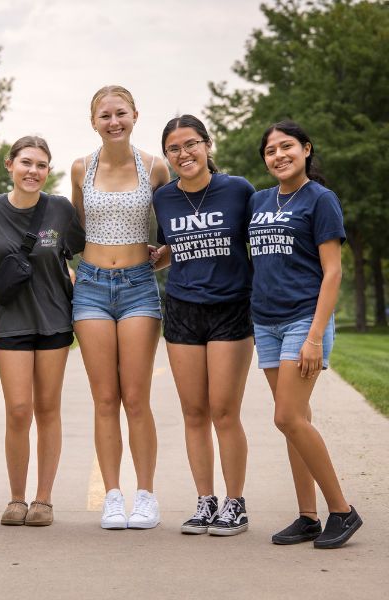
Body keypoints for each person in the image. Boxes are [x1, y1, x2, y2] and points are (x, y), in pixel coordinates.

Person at [249, 120, 362, 548]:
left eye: (287, 146)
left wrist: (315, 336)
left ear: (306, 149)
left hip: (303, 319)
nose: (279, 155)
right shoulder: (259, 200)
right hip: (266, 321)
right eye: (271, 150)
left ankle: (342, 511)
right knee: (295, 422)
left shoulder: (320, 199)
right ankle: (308, 516)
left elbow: (333, 272)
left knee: (287, 416)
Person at [70, 85, 170, 530]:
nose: (114, 122)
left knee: (135, 397)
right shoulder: (80, 168)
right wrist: (69, 271)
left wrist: (161, 257)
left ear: (135, 115)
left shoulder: (155, 166)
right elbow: (74, 232)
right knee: (105, 398)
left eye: (121, 113)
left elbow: (173, 228)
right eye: (105, 115)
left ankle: (145, 495)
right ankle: (113, 496)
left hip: (138, 288)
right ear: (93, 122)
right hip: (91, 287)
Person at [152, 115, 254, 536]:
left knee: (224, 411)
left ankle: (235, 503)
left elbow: (259, 240)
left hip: (230, 308)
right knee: (193, 412)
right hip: (182, 309)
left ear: (207, 145)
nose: (184, 153)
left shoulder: (239, 190)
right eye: (174, 148)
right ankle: (205, 500)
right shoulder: (163, 198)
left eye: (191, 143)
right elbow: (169, 249)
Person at [0, 136, 85, 527]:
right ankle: (16, 498)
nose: (33, 171)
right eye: (26, 162)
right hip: (11, 321)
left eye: (41, 165)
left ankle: (43, 499)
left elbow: (81, 248)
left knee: (47, 408)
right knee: (18, 410)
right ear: (10, 165)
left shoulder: (60, 209)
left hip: (54, 319)